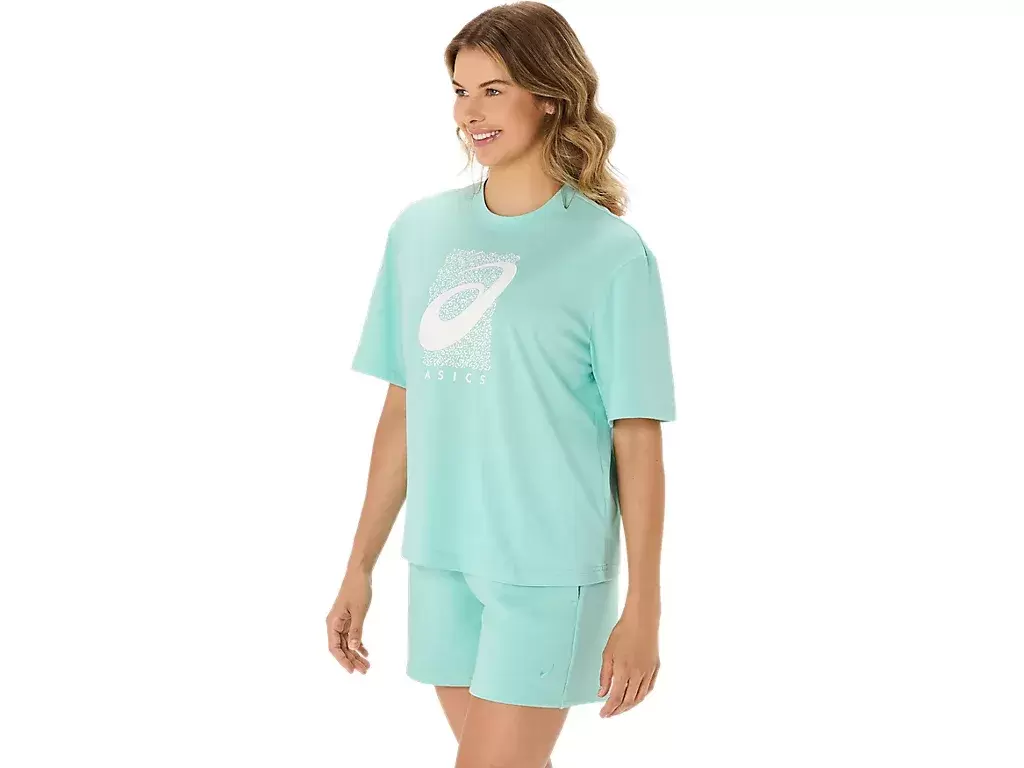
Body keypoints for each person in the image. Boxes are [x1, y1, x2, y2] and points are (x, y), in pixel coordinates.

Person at [327, 3, 675, 766]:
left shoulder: (611, 254)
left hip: (548, 570)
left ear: (549, 96)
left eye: (493, 90)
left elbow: (636, 437)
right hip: (442, 558)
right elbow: (404, 408)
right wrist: (359, 565)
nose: (469, 112)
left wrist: (644, 607)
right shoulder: (419, 232)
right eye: (460, 91)